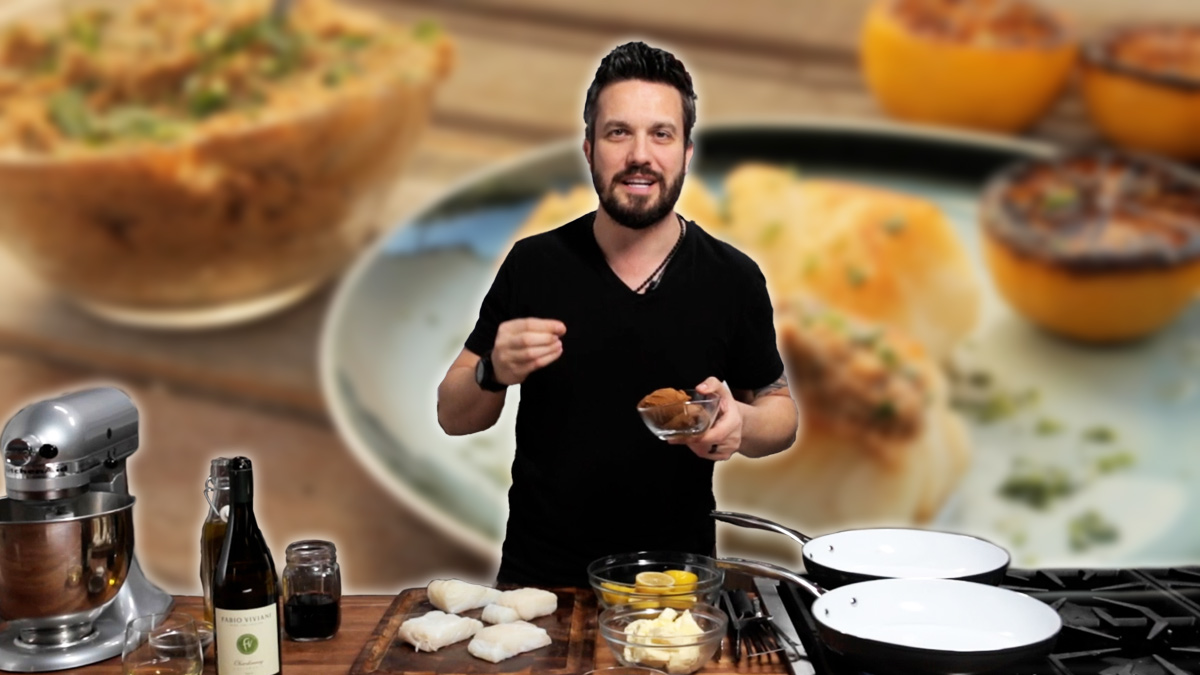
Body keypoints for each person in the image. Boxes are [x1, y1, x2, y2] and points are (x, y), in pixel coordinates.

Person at [436, 41, 800, 586]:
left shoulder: (733, 278)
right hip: (543, 581)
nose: (640, 155)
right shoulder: (535, 264)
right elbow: (453, 413)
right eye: (618, 133)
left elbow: (781, 413)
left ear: (686, 153)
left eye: (661, 134)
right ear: (588, 148)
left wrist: (739, 422)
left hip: (677, 582)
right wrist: (493, 369)